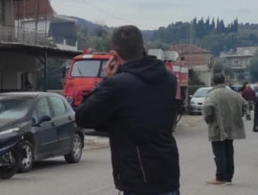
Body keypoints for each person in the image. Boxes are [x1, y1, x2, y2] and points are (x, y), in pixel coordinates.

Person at [75, 25, 180, 195]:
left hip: (139, 180)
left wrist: (105, 80)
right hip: (168, 175)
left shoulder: (117, 85)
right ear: (142, 47)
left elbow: (83, 117)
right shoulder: (168, 78)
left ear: (114, 55)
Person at [203, 73, 247, 185]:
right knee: (228, 151)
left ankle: (220, 177)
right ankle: (228, 177)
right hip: (231, 128)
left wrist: (209, 120)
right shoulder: (234, 94)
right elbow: (245, 104)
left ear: (213, 82)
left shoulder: (212, 94)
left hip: (218, 127)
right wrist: (237, 116)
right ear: (224, 81)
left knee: (219, 153)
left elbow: (207, 108)